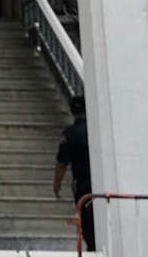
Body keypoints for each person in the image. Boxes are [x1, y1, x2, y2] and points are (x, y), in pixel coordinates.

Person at [54, 95, 94, 252]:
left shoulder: (69, 134)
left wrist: (56, 184)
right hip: (99, 182)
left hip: (82, 184)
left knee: (85, 220)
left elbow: (61, 163)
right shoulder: (96, 131)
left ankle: (92, 247)